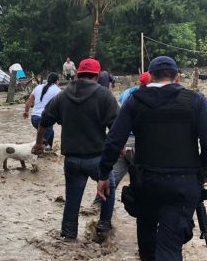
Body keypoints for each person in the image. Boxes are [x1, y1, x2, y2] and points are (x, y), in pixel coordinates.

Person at [97, 56, 207, 261]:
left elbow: (114, 141)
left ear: (149, 76)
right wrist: (203, 166)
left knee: (146, 219)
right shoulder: (195, 100)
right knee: (171, 243)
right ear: (177, 76)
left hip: (146, 179)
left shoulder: (135, 100)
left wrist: (103, 174)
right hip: (183, 182)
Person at [32, 58, 118, 241]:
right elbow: (116, 130)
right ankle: (103, 228)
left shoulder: (62, 96)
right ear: (96, 75)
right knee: (108, 189)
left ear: (77, 73)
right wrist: (117, 152)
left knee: (72, 200)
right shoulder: (105, 95)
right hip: (97, 159)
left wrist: (39, 144)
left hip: (71, 159)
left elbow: (44, 122)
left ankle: (69, 236)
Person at [91, 71, 151, 208]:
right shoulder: (152, 97)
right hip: (139, 141)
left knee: (114, 176)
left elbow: (119, 110)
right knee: (145, 176)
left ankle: (97, 206)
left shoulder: (129, 92)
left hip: (122, 140)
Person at [23, 72, 61, 151]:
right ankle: (33, 151)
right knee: (40, 143)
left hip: (34, 119)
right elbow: (61, 106)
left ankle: (48, 151)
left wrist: (26, 112)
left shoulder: (38, 87)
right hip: (46, 119)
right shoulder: (57, 90)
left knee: (50, 133)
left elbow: (29, 101)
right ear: (57, 81)